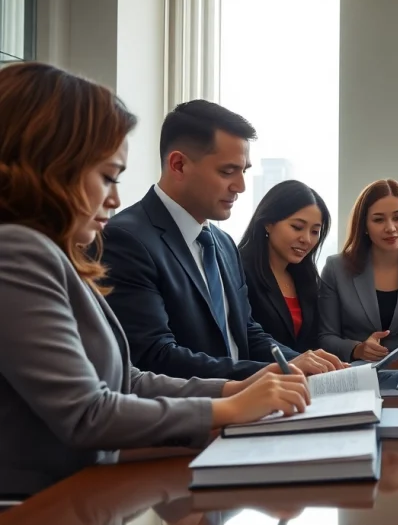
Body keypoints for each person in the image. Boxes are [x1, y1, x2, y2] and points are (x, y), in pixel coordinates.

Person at [0, 62, 311, 497]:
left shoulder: (55, 252)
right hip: (38, 503)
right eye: (107, 176)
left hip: (89, 486)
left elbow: (126, 379)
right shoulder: (18, 251)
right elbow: (89, 412)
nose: (114, 198)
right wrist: (227, 407)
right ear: (50, 167)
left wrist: (232, 389)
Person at [100, 100, 343, 380]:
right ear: (178, 165)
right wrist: (271, 373)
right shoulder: (126, 240)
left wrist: (301, 362)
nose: (240, 186)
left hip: (248, 406)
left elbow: (246, 332)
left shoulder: (224, 243)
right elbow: (155, 356)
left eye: (244, 171)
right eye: (227, 172)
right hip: (195, 414)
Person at [318, 179, 398, 362]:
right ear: (364, 225)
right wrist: (358, 349)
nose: (390, 228)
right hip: (354, 375)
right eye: (378, 219)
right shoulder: (336, 268)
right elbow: (325, 337)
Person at [238, 180, 338, 354]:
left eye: (315, 231)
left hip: (302, 378)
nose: (306, 239)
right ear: (268, 223)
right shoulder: (239, 271)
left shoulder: (306, 277)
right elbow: (247, 340)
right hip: (258, 378)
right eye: (297, 227)